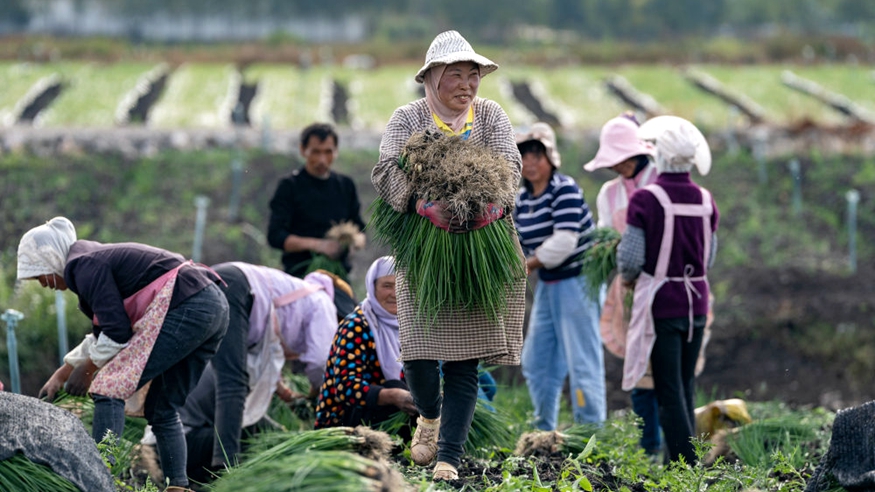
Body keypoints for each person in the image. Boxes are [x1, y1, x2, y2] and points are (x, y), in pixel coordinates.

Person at [371, 30, 526, 481]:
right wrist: (423, 205)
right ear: (433, 78)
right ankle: (429, 414)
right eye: (455, 75)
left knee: (464, 360)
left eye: (472, 75)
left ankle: (449, 459)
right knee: (418, 353)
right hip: (426, 250)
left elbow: (511, 166)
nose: (467, 85)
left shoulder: (490, 115)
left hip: (481, 248)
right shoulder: (409, 118)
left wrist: (492, 207)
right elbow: (385, 170)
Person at [19, 217, 229, 491]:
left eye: (39, 274)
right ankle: (178, 486)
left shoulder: (83, 265)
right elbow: (103, 333)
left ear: (51, 259)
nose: (42, 283)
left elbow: (117, 332)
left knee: (108, 387)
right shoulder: (90, 262)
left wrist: (89, 369)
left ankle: (100, 477)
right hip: (211, 305)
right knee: (162, 408)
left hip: (186, 304)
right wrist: (63, 372)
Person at [141, 261, 338, 482]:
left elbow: (266, 361)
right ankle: (226, 467)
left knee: (234, 393)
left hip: (217, 282)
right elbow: (321, 363)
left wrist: (286, 397)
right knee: (234, 387)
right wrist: (317, 396)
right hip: (233, 286)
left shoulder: (292, 304)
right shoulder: (323, 303)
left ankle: (211, 469)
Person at [616, 116, 719, 464]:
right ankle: (685, 462)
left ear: (660, 156)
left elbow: (631, 259)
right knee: (685, 385)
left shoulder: (646, 199)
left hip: (662, 305)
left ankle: (686, 467)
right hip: (697, 303)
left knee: (668, 389)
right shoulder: (705, 199)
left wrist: (628, 278)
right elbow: (709, 256)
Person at [513, 122, 606, 430]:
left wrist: (526, 265)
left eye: (537, 156)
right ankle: (543, 428)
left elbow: (564, 242)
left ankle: (590, 431)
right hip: (549, 285)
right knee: (537, 361)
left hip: (577, 283)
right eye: (524, 156)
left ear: (550, 158)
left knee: (581, 360)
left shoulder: (564, 189)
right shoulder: (523, 200)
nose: (530, 163)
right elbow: (516, 241)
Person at [584, 114, 662, 455]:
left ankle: (673, 445)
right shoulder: (609, 193)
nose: (619, 165)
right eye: (614, 160)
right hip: (630, 288)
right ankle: (650, 447)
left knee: (667, 366)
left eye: (624, 157)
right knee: (639, 369)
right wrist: (609, 250)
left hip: (664, 286)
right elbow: (603, 233)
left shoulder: (660, 180)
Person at [314, 256, 418, 429]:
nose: (395, 293)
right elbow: (345, 387)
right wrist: (393, 395)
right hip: (344, 423)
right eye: (387, 286)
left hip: (382, 417)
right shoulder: (356, 326)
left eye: (401, 285)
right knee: (396, 387)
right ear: (372, 287)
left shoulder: (408, 325)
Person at [266, 122, 366, 283]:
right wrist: (319, 245)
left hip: (337, 277)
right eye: (315, 152)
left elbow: (359, 227)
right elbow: (275, 236)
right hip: (300, 276)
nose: (322, 160)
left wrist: (352, 242)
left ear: (336, 151)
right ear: (303, 150)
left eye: (328, 152)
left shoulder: (345, 185)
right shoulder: (290, 186)